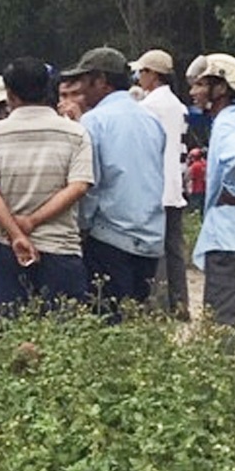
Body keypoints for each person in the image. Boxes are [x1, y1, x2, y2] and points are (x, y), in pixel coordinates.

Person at [0, 58, 93, 317]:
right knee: (64, 333)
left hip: (6, 249)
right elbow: (79, 186)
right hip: (61, 246)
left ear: (10, 95)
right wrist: (33, 221)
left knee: (10, 333)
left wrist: (16, 234)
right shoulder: (75, 133)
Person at [61, 47, 166, 316]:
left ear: (101, 80)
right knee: (136, 317)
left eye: (85, 80)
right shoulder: (151, 120)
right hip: (150, 235)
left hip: (110, 236)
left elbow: (90, 184)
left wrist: (82, 227)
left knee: (107, 319)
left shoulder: (94, 121)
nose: (81, 88)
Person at [188, 54, 235, 344]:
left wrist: (233, 191)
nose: (193, 92)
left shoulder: (225, 124)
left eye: (201, 84)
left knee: (223, 325)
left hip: (229, 237)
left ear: (221, 89)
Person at [131, 49, 190, 318]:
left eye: (141, 72)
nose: (138, 77)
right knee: (175, 250)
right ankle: (181, 304)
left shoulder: (147, 107)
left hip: (155, 189)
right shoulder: (178, 106)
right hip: (176, 187)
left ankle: (160, 306)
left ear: (153, 75)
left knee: (158, 249)